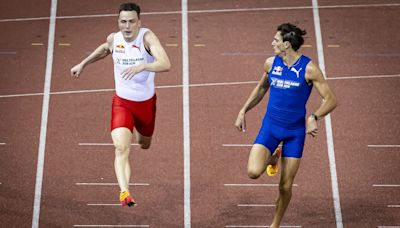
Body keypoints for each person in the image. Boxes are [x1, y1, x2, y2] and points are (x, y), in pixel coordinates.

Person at [234, 23, 337, 227]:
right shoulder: (270, 64)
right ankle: (273, 157)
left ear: (287, 45)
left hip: (294, 133)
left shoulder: (309, 69)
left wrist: (314, 117)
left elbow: (331, 99)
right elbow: (261, 88)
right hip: (270, 128)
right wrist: (243, 110)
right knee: (253, 172)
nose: (272, 43)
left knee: (285, 186)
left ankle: (275, 224)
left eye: (276, 40)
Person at [70, 2, 171, 207]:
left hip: (145, 104)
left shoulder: (147, 38)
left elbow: (166, 63)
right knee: (120, 147)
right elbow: (104, 49)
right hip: (122, 103)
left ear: (139, 22)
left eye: (131, 22)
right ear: (118, 22)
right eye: (123, 21)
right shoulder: (114, 39)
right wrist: (83, 63)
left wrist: (144, 65)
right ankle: (124, 192)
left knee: (144, 144)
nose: (127, 26)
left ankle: (138, 134)